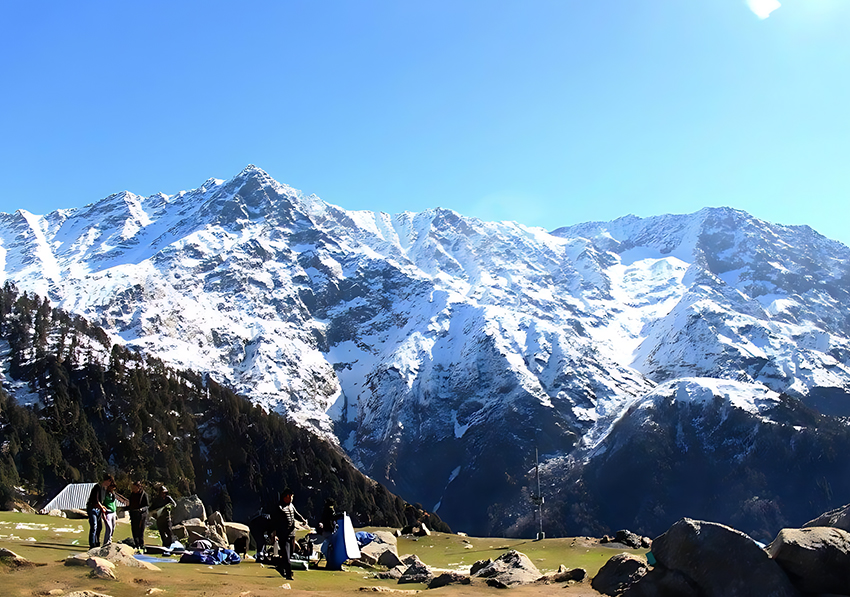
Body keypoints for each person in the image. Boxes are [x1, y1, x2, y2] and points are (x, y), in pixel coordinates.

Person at [272, 488, 308, 580]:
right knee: (286, 556)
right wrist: (274, 534)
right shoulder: (279, 508)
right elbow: (274, 522)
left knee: (290, 553)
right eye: (290, 496)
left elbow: (295, 514)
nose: (291, 498)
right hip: (283, 535)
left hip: (292, 534)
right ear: (286, 497)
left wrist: (302, 520)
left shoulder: (291, 506)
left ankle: (280, 566)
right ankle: (288, 574)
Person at [86, 474, 114, 549]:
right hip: (92, 508)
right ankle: (92, 544)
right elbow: (96, 500)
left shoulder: (104, 489)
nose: (109, 484)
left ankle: (97, 542)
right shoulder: (97, 487)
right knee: (94, 526)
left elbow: (102, 501)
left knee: (99, 527)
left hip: (98, 510)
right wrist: (102, 507)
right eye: (109, 482)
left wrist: (102, 509)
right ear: (107, 480)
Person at [128, 480, 150, 551]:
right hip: (134, 515)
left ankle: (141, 545)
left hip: (141, 516)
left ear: (139, 487)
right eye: (133, 488)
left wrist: (142, 509)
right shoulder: (132, 495)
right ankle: (136, 545)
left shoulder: (144, 494)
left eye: (135, 488)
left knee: (140, 531)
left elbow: (147, 506)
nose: (133, 490)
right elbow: (130, 505)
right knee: (134, 531)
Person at [101, 480, 119, 545]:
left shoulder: (113, 494)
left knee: (113, 527)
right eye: (112, 487)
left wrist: (116, 512)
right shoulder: (104, 493)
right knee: (109, 528)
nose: (113, 489)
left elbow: (114, 503)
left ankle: (110, 539)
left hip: (113, 512)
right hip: (107, 512)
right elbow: (102, 502)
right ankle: (106, 542)